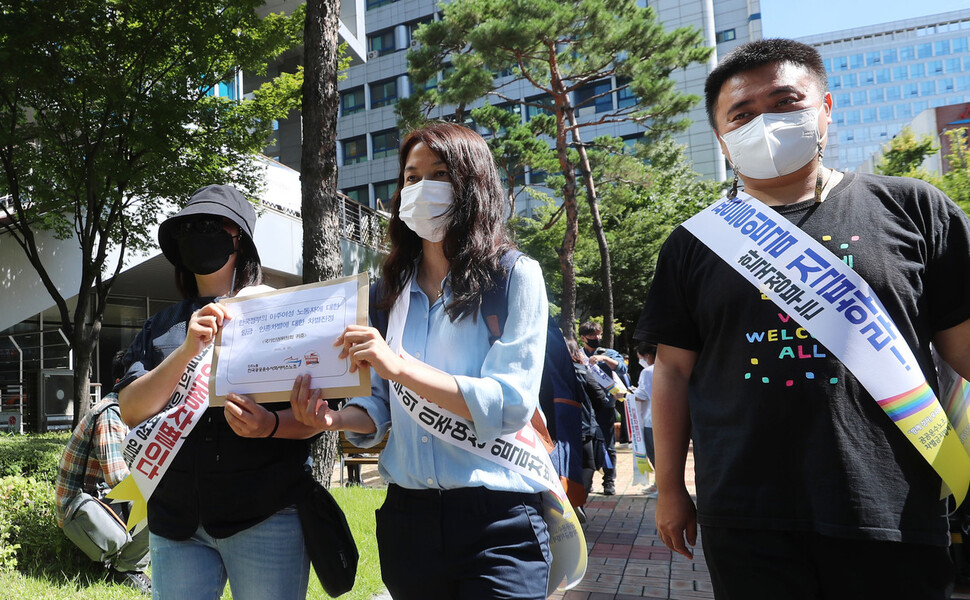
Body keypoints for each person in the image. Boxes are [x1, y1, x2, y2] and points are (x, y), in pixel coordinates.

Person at [636, 38, 970, 599]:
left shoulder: (915, 208)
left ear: (826, 108)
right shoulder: (694, 243)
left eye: (786, 101)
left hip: (895, 505)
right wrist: (671, 488)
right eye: (741, 114)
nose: (764, 122)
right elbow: (671, 373)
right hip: (747, 514)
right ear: (722, 137)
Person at [290, 121, 553, 600]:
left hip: (497, 517)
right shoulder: (387, 294)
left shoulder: (514, 276)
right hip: (407, 520)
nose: (422, 189)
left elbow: (510, 403)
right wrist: (330, 417)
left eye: (440, 174)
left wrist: (399, 366)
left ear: (474, 184)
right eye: (412, 178)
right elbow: (376, 405)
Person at [116, 184, 319, 600]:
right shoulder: (160, 327)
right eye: (187, 228)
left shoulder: (278, 314)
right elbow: (131, 409)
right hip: (176, 525)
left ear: (238, 238)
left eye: (209, 225)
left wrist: (269, 426)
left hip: (265, 515)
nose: (197, 234)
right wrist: (189, 348)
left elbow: (317, 418)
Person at [55, 351, 151, 594]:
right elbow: (119, 479)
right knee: (157, 502)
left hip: (92, 501)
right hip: (77, 511)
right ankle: (126, 570)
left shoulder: (126, 410)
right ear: (126, 381)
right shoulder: (111, 413)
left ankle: (124, 561)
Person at [578, 321, 626, 494]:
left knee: (608, 443)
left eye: (598, 335)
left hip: (606, 404)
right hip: (586, 407)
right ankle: (587, 480)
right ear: (583, 338)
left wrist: (604, 359)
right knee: (587, 443)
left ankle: (608, 481)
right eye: (592, 336)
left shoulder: (608, 353)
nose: (596, 338)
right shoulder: (578, 355)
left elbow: (622, 368)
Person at [565, 339, 609, 504]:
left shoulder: (550, 373)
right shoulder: (583, 371)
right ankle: (578, 502)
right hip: (583, 427)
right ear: (577, 353)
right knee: (587, 465)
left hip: (559, 428)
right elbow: (601, 398)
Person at [633, 341, 656, 498]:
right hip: (666, 419)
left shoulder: (648, 371)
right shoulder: (667, 368)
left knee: (655, 455)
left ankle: (661, 487)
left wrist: (626, 394)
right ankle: (657, 485)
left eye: (640, 357)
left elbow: (641, 396)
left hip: (651, 420)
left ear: (647, 356)